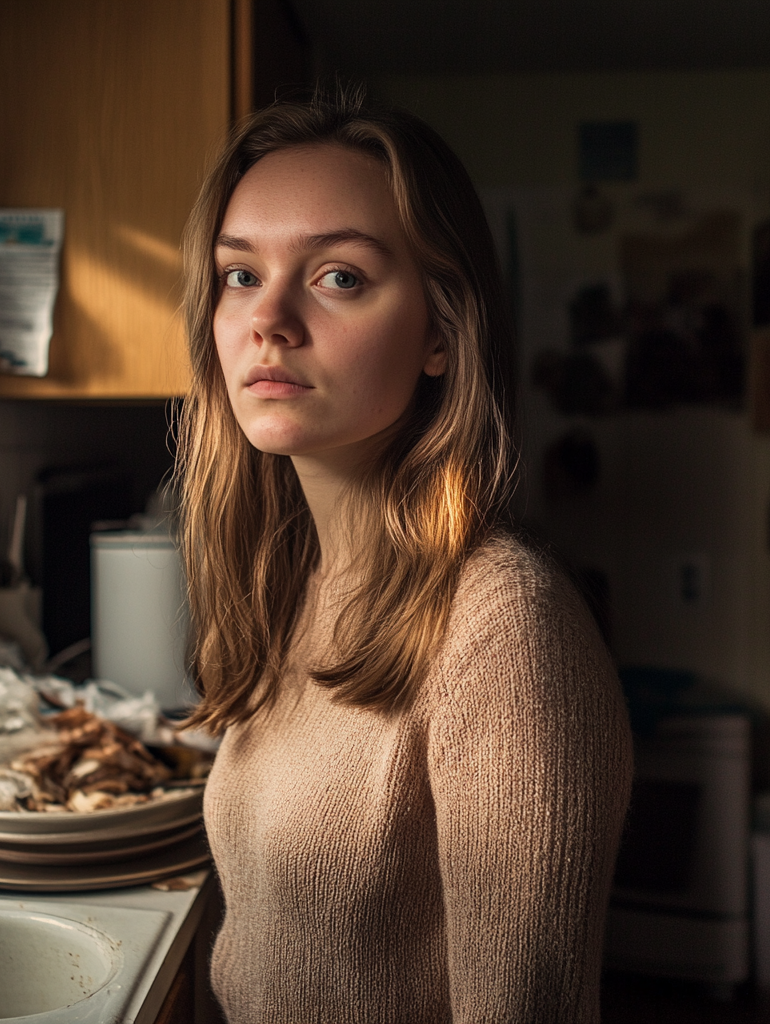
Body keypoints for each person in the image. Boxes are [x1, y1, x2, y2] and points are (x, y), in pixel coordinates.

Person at [175, 91, 632, 1024]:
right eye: (238, 276)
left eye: (338, 276)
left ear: (439, 332)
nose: (270, 321)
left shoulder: (506, 627)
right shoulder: (290, 586)